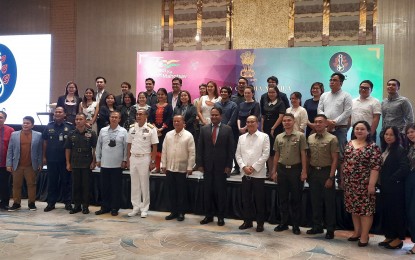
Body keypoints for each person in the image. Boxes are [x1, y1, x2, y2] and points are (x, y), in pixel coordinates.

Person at [342, 120, 382, 247]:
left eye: (362, 129)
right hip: (350, 183)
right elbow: (344, 162)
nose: (359, 131)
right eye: (357, 129)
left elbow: (375, 167)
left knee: (365, 211)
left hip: (364, 184)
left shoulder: (373, 147)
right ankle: (357, 232)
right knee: (354, 209)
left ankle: (364, 236)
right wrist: (343, 179)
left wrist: (371, 184)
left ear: (368, 131)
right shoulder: (349, 144)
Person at [271, 113, 307, 235]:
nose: (286, 122)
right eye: (285, 120)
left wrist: (304, 171)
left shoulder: (300, 136)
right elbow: (276, 155)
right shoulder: (279, 137)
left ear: (294, 121)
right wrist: (274, 171)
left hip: (295, 170)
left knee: (296, 199)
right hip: (282, 170)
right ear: (282, 123)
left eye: (289, 120)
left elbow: (303, 154)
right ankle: (284, 223)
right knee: (283, 198)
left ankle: (295, 225)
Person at [197, 107, 234, 226]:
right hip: (207, 167)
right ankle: (208, 215)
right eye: (212, 115)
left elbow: (230, 149)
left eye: (216, 115)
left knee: (220, 193)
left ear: (221, 116)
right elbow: (200, 148)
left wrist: (229, 165)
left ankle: (221, 216)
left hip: (221, 167)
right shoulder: (204, 129)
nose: (214, 117)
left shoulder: (227, 129)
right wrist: (200, 164)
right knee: (207, 192)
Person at [306, 114, 339, 239]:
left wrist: (331, 177)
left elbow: (335, 159)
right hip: (313, 172)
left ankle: (330, 229)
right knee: (315, 201)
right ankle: (317, 226)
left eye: (320, 122)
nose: (318, 124)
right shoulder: (310, 138)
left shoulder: (332, 138)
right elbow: (308, 156)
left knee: (329, 202)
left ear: (326, 124)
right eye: (316, 122)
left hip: (326, 172)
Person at [236, 115, 270, 232]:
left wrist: (254, 167)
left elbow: (265, 154)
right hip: (245, 174)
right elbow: (238, 155)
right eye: (248, 122)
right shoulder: (241, 138)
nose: (250, 124)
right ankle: (247, 221)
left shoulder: (264, 137)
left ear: (257, 123)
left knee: (259, 200)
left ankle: (260, 223)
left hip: (258, 174)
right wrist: (244, 167)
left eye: (252, 122)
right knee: (246, 199)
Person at [318, 72, 353, 185]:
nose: (331, 82)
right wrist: (327, 121)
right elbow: (320, 110)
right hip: (326, 128)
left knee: (341, 155)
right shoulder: (324, 95)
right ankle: (328, 177)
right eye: (331, 80)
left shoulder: (346, 95)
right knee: (326, 153)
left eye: (335, 80)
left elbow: (347, 111)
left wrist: (335, 122)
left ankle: (341, 180)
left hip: (340, 128)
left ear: (341, 83)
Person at [378, 126, 409, 249]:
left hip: (395, 188)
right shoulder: (386, 149)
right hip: (385, 187)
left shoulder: (399, 150)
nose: (388, 137)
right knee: (387, 212)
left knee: (396, 213)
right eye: (386, 134)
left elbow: (404, 168)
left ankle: (398, 239)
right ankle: (389, 235)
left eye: (391, 135)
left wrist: (392, 179)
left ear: (396, 137)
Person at [162, 115, 195, 222]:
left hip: (182, 168)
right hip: (170, 168)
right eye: (174, 121)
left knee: (181, 192)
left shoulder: (188, 136)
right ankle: (173, 211)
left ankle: (181, 212)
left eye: (178, 121)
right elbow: (164, 151)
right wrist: (163, 165)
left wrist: (190, 166)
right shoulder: (168, 135)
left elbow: (192, 153)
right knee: (171, 191)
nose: (176, 123)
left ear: (183, 122)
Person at [95, 111, 128, 216]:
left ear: (119, 119)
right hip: (104, 163)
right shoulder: (103, 130)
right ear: (109, 118)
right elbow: (98, 145)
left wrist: (125, 160)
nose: (114, 119)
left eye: (116, 117)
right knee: (105, 187)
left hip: (117, 164)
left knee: (116, 188)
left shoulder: (123, 131)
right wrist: (98, 159)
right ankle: (105, 207)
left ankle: (114, 208)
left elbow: (126, 147)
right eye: (112, 117)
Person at [6, 116, 42, 211]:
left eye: (28, 123)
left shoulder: (38, 135)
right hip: (17, 165)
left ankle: (31, 203)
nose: (25, 124)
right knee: (16, 185)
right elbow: (10, 150)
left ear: (32, 125)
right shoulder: (14, 134)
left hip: (31, 165)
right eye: (24, 122)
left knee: (32, 185)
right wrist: (9, 164)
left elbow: (40, 151)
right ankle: (16, 203)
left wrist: (40, 163)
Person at [126, 109, 158, 218]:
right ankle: (135, 207)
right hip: (133, 157)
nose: (138, 116)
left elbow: (154, 146)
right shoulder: (131, 128)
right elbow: (129, 144)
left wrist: (153, 161)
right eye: (137, 114)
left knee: (144, 184)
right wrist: (128, 159)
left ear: (146, 116)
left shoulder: (151, 129)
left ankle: (144, 208)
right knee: (134, 184)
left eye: (141, 114)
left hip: (145, 158)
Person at [42, 107, 75, 212]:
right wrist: (43, 156)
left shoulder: (70, 127)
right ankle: (51, 203)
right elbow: (45, 142)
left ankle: (68, 203)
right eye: (56, 112)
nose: (58, 113)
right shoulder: (49, 126)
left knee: (66, 182)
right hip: (52, 159)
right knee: (52, 182)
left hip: (65, 160)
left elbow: (73, 143)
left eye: (60, 112)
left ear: (64, 114)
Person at [65, 113, 97, 214]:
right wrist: (68, 163)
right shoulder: (71, 134)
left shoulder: (91, 133)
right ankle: (77, 206)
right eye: (77, 119)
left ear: (85, 120)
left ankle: (85, 206)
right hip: (75, 162)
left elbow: (95, 149)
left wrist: (94, 161)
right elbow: (68, 149)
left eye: (81, 119)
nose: (78, 121)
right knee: (76, 186)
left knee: (86, 186)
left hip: (87, 162)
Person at [261, 85, 285, 176]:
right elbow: (263, 116)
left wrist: (273, 128)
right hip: (266, 128)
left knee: (275, 151)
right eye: (269, 92)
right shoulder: (266, 102)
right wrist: (262, 127)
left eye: (273, 92)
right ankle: (270, 171)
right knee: (268, 151)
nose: (271, 94)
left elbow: (281, 116)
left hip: (276, 129)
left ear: (277, 93)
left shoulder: (280, 103)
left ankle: (276, 172)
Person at [382, 79, 414, 145]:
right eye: (389, 85)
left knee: (399, 153)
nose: (390, 86)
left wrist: (403, 132)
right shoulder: (383, 102)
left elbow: (410, 118)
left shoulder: (403, 101)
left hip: (399, 134)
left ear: (398, 87)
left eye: (393, 85)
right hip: (386, 134)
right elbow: (384, 118)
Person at [148, 88, 173, 172]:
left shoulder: (169, 106)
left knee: (164, 148)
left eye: (162, 94)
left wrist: (162, 128)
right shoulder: (153, 106)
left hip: (165, 130)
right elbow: (150, 118)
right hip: (154, 130)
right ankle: (157, 166)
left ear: (166, 95)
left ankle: (164, 167)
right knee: (156, 148)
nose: (160, 96)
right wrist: (155, 128)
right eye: (159, 94)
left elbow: (169, 118)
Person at [0, 111, 14, 210]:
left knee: (4, 184)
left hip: (5, 163)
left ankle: (4, 203)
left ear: (5, 119)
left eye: (1, 117)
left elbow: (13, 147)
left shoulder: (10, 130)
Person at [405, 124, 415, 255]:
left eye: (413, 132)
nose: (410, 134)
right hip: (410, 180)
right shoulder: (409, 147)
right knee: (411, 212)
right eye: (408, 133)